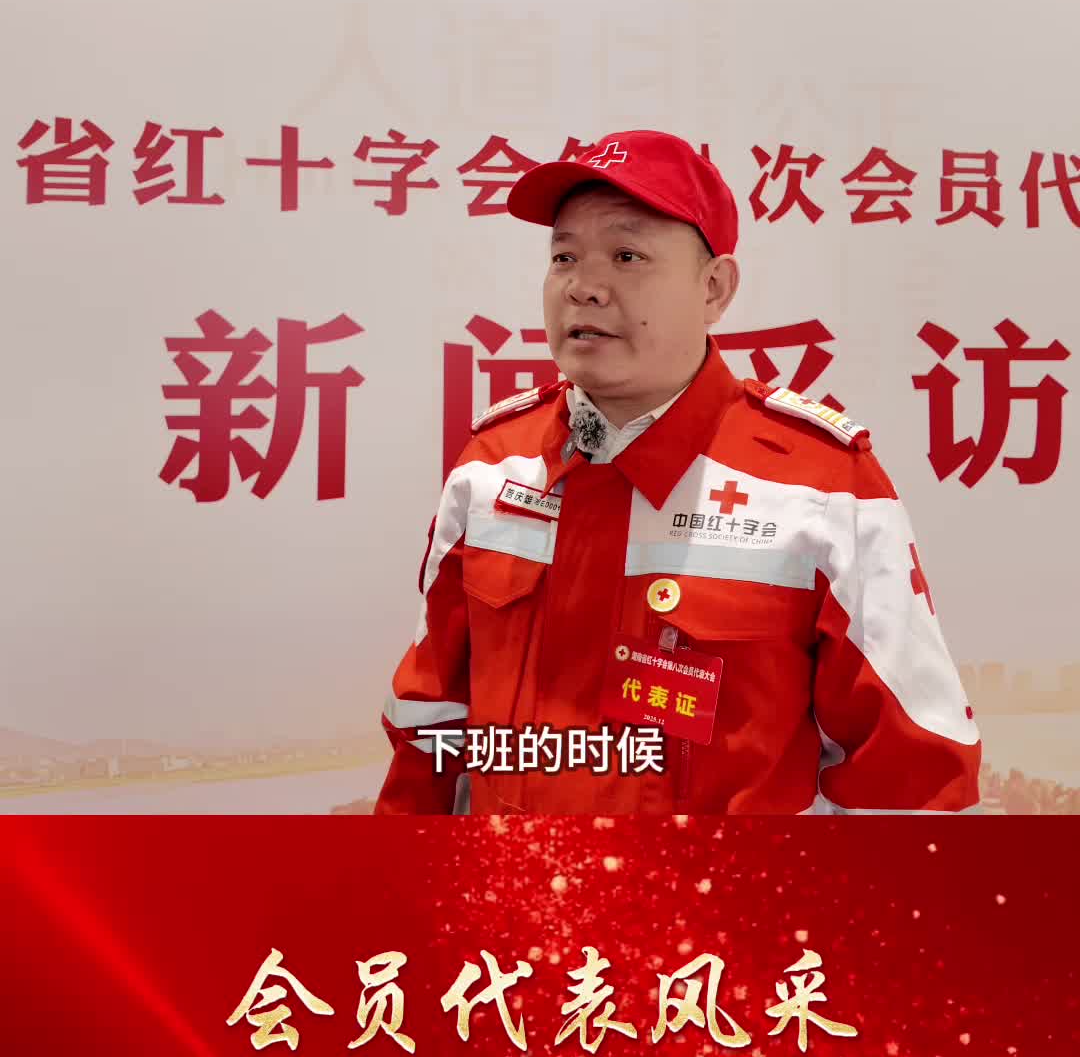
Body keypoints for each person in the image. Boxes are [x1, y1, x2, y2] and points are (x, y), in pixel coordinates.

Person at [373, 129, 980, 816]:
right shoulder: (493, 465)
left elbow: (913, 778)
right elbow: (429, 725)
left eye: (627, 256)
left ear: (714, 288)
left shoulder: (821, 485)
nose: (583, 288)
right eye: (564, 256)